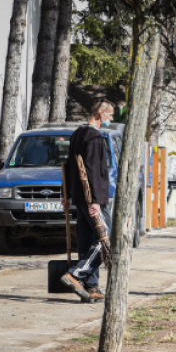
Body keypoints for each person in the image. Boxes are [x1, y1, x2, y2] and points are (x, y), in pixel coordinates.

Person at [60, 102, 115, 303]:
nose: (111, 119)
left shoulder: (77, 134)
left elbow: (67, 167)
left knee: (87, 241)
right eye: (109, 115)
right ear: (100, 113)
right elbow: (93, 170)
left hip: (80, 198)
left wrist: (65, 195)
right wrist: (99, 200)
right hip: (91, 198)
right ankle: (76, 274)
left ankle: (91, 287)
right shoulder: (93, 136)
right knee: (105, 239)